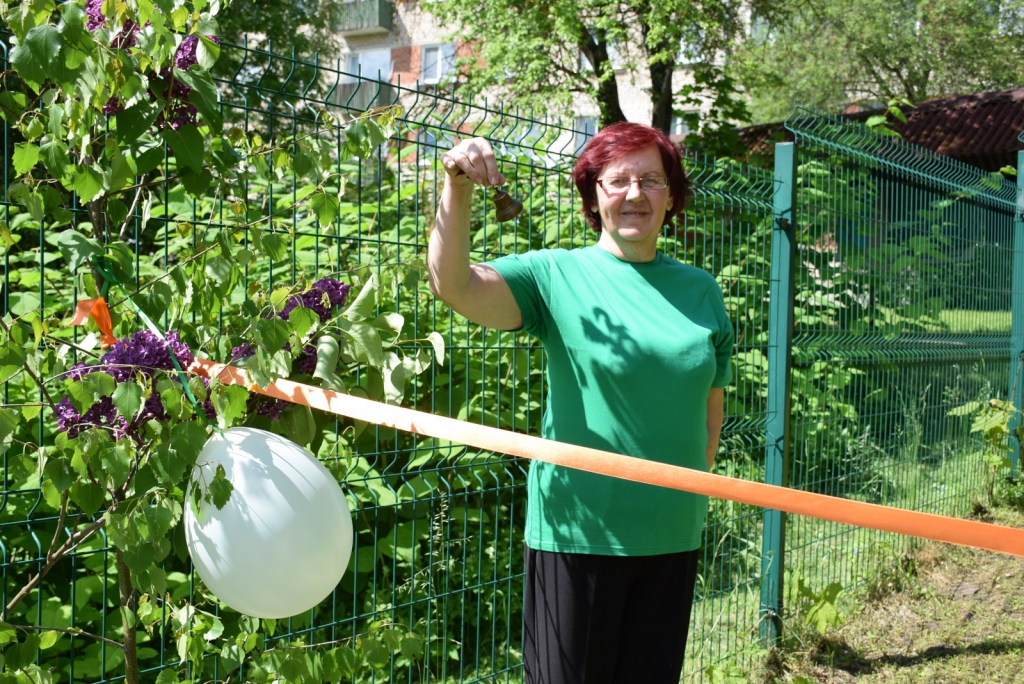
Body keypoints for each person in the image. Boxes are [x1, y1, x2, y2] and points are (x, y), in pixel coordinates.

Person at [427, 122, 733, 684]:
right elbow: (454, 286)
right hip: (579, 537)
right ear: (594, 194)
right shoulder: (556, 275)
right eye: (617, 180)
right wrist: (458, 185)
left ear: (671, 196)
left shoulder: (701, 290)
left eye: (651, 180)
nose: (634, 194)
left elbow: (709, 413)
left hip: (672, 536)